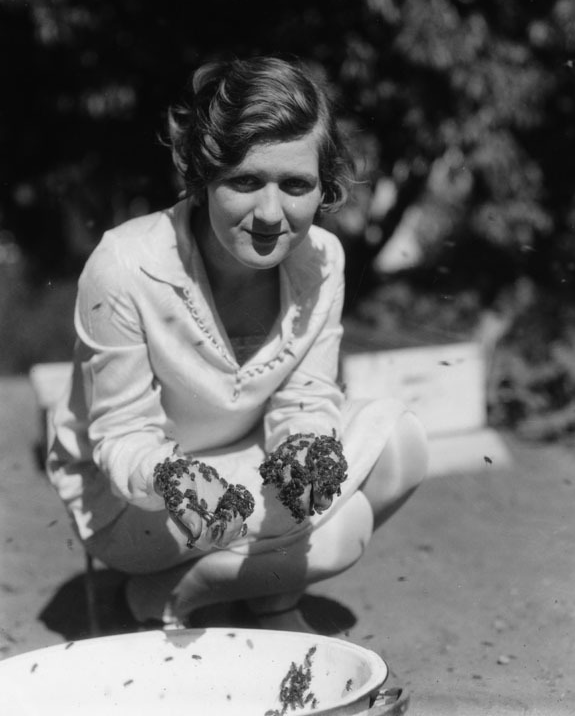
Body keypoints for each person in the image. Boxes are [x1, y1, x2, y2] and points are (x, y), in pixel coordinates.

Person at [47, 56, 429, 632]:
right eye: (245, 182)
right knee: (340, 533)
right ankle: (173, 593)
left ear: (323, 187)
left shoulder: (323, 259)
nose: (271, 214)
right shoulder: (124, 264)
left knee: (402, 445)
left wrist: (303, 453)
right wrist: (174, 480)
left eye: (295, 185)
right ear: (203, 179)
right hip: (137, 497)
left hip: (247, 456)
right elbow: (120, 436)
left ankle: (247, 594)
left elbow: (305, 397)